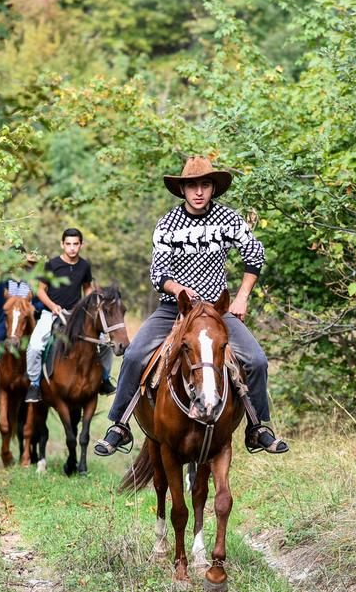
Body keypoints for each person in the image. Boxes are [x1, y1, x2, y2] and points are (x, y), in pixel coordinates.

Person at [94, 156, 288, 456]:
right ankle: (119, 425)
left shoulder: (228, 219)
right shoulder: (168, 224)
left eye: (205, 185)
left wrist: (242, 296)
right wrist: (177, 288)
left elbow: (255, 255)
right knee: (133, 356)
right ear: (182, 189)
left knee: (256, 360)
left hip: (215, 313)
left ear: (213, 189)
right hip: (176, 309)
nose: (199, 192)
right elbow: (158, 274)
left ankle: (257, 426)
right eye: (192, 186)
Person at [25, 228, 116, 403]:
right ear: (62, 244)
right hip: (51, 313)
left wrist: (89, 304)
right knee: (35, 346)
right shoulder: (52, 265)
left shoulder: (84, 266)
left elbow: (87, 288)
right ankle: (34, 384)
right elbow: (40, 290)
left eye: (76, 244)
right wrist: (52, 306)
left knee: (105, 342)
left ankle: (104, 379)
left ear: (81, 245)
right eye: (68, 244)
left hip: (77, 315)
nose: (72, 248)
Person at [0, 249, 40, 402]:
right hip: (5, 321)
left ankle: (39, 386)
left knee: (42, 348)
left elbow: (40, 301)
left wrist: (35, 308)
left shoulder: (34, 281)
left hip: (28, 321)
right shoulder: (3, 281)